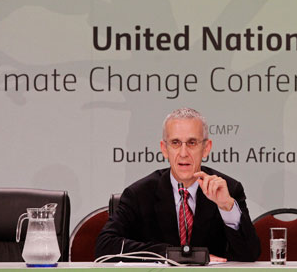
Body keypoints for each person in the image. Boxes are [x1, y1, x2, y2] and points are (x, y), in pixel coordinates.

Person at [95, 108, 261, 262]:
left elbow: (249, 255)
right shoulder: (139, 194)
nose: (183, 153)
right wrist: (171, 254)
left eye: (192, 143)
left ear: (206, 148)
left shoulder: (228, 190)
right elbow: (105, 246)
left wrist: (227, 207)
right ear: (164, 149)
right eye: (175, 143)